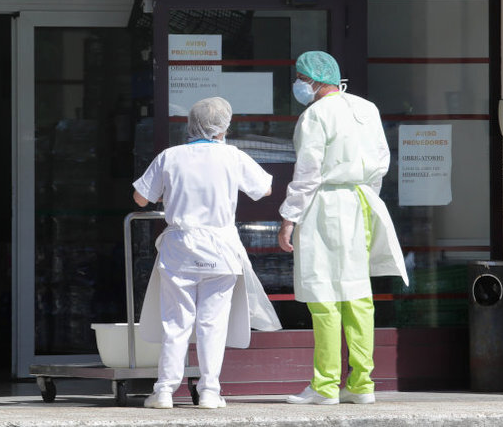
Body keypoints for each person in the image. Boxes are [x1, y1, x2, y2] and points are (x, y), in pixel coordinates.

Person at [277, 50, 409, 405]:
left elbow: (307, 173)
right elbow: (382, 162)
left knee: (324, 295)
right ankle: (363, 384)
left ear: (313, 81)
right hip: (362, 202)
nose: (299, 85)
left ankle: (325, 386)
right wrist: (368, 199)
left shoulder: (314, 115)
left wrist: (289, 218)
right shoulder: (367, 109)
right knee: (358, 295)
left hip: (325, 205)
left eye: (301, 78)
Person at [132, 97, 281, 409]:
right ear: (223, 127)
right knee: (212, 324)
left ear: (191, 124)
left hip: (180, 249)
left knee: (176, 323)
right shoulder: (232, 156)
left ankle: (164, 391)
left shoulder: (170, 156)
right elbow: (264, 189)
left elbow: (140, 198)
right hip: (221, 249)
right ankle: (210, 391)